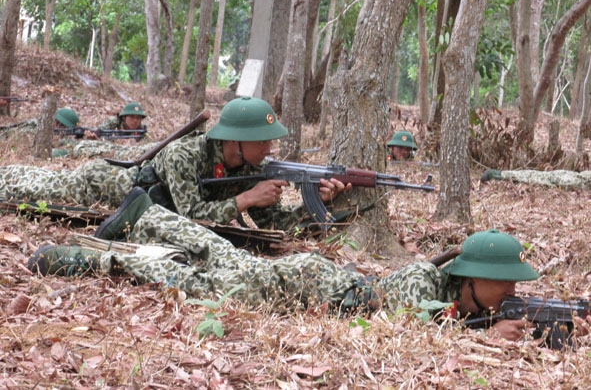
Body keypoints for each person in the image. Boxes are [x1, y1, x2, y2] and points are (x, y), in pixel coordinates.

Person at [29, 195, 572, 343]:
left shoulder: (459, 294)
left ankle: (148, 216)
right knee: (198, 282)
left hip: (311, 280)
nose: (509, 293)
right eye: (505, 284)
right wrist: (485, 336)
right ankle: (84, 260)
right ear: (470, 276)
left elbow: (454, 320)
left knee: (223, 257)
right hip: (301, 283)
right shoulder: (418, 282)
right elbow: (417, 328)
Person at [0, 97, 347, 232]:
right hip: (105, 185)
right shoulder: (186, 156)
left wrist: (318, 204)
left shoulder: (249, 169)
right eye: (263, 140)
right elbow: (187, 216)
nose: (270, 148)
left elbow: (278, 226)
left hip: (139, 201)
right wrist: (245, 200)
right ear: (234, 141)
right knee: (26, 182)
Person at [83, 102, 148, 141]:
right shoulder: (114, 122)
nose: (135, 121)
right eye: (132, 117)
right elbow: (99, 131)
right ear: (124, 117)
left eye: (138, 118)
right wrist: (94, 137)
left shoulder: (141, 130)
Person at [481, 168, 591, 189]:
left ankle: (498, 175)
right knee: (541, 177)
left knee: (540, 177)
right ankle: (499, 174)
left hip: (580, 179)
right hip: (579, 178)